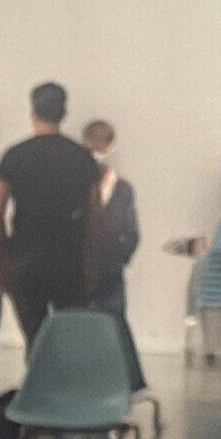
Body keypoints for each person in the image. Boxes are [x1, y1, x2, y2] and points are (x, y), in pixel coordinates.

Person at [0, 82, 101, 358]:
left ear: (32, 111)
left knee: (35, 342)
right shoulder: (82, 157)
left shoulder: (15, 155)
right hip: (69, 261)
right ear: (64, 112)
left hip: (26, 261)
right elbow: (95, 215)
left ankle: (38, 382)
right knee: (70, 343)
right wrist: (91, 262)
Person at [80, 119, 148, 392]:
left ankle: (129, 383)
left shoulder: (121, 189)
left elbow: (131, 232)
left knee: (116, 323)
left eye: (102, 147)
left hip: (110, 270)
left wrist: (119, 258)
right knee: (81, 326)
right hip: (81, 270)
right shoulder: (76, 186)